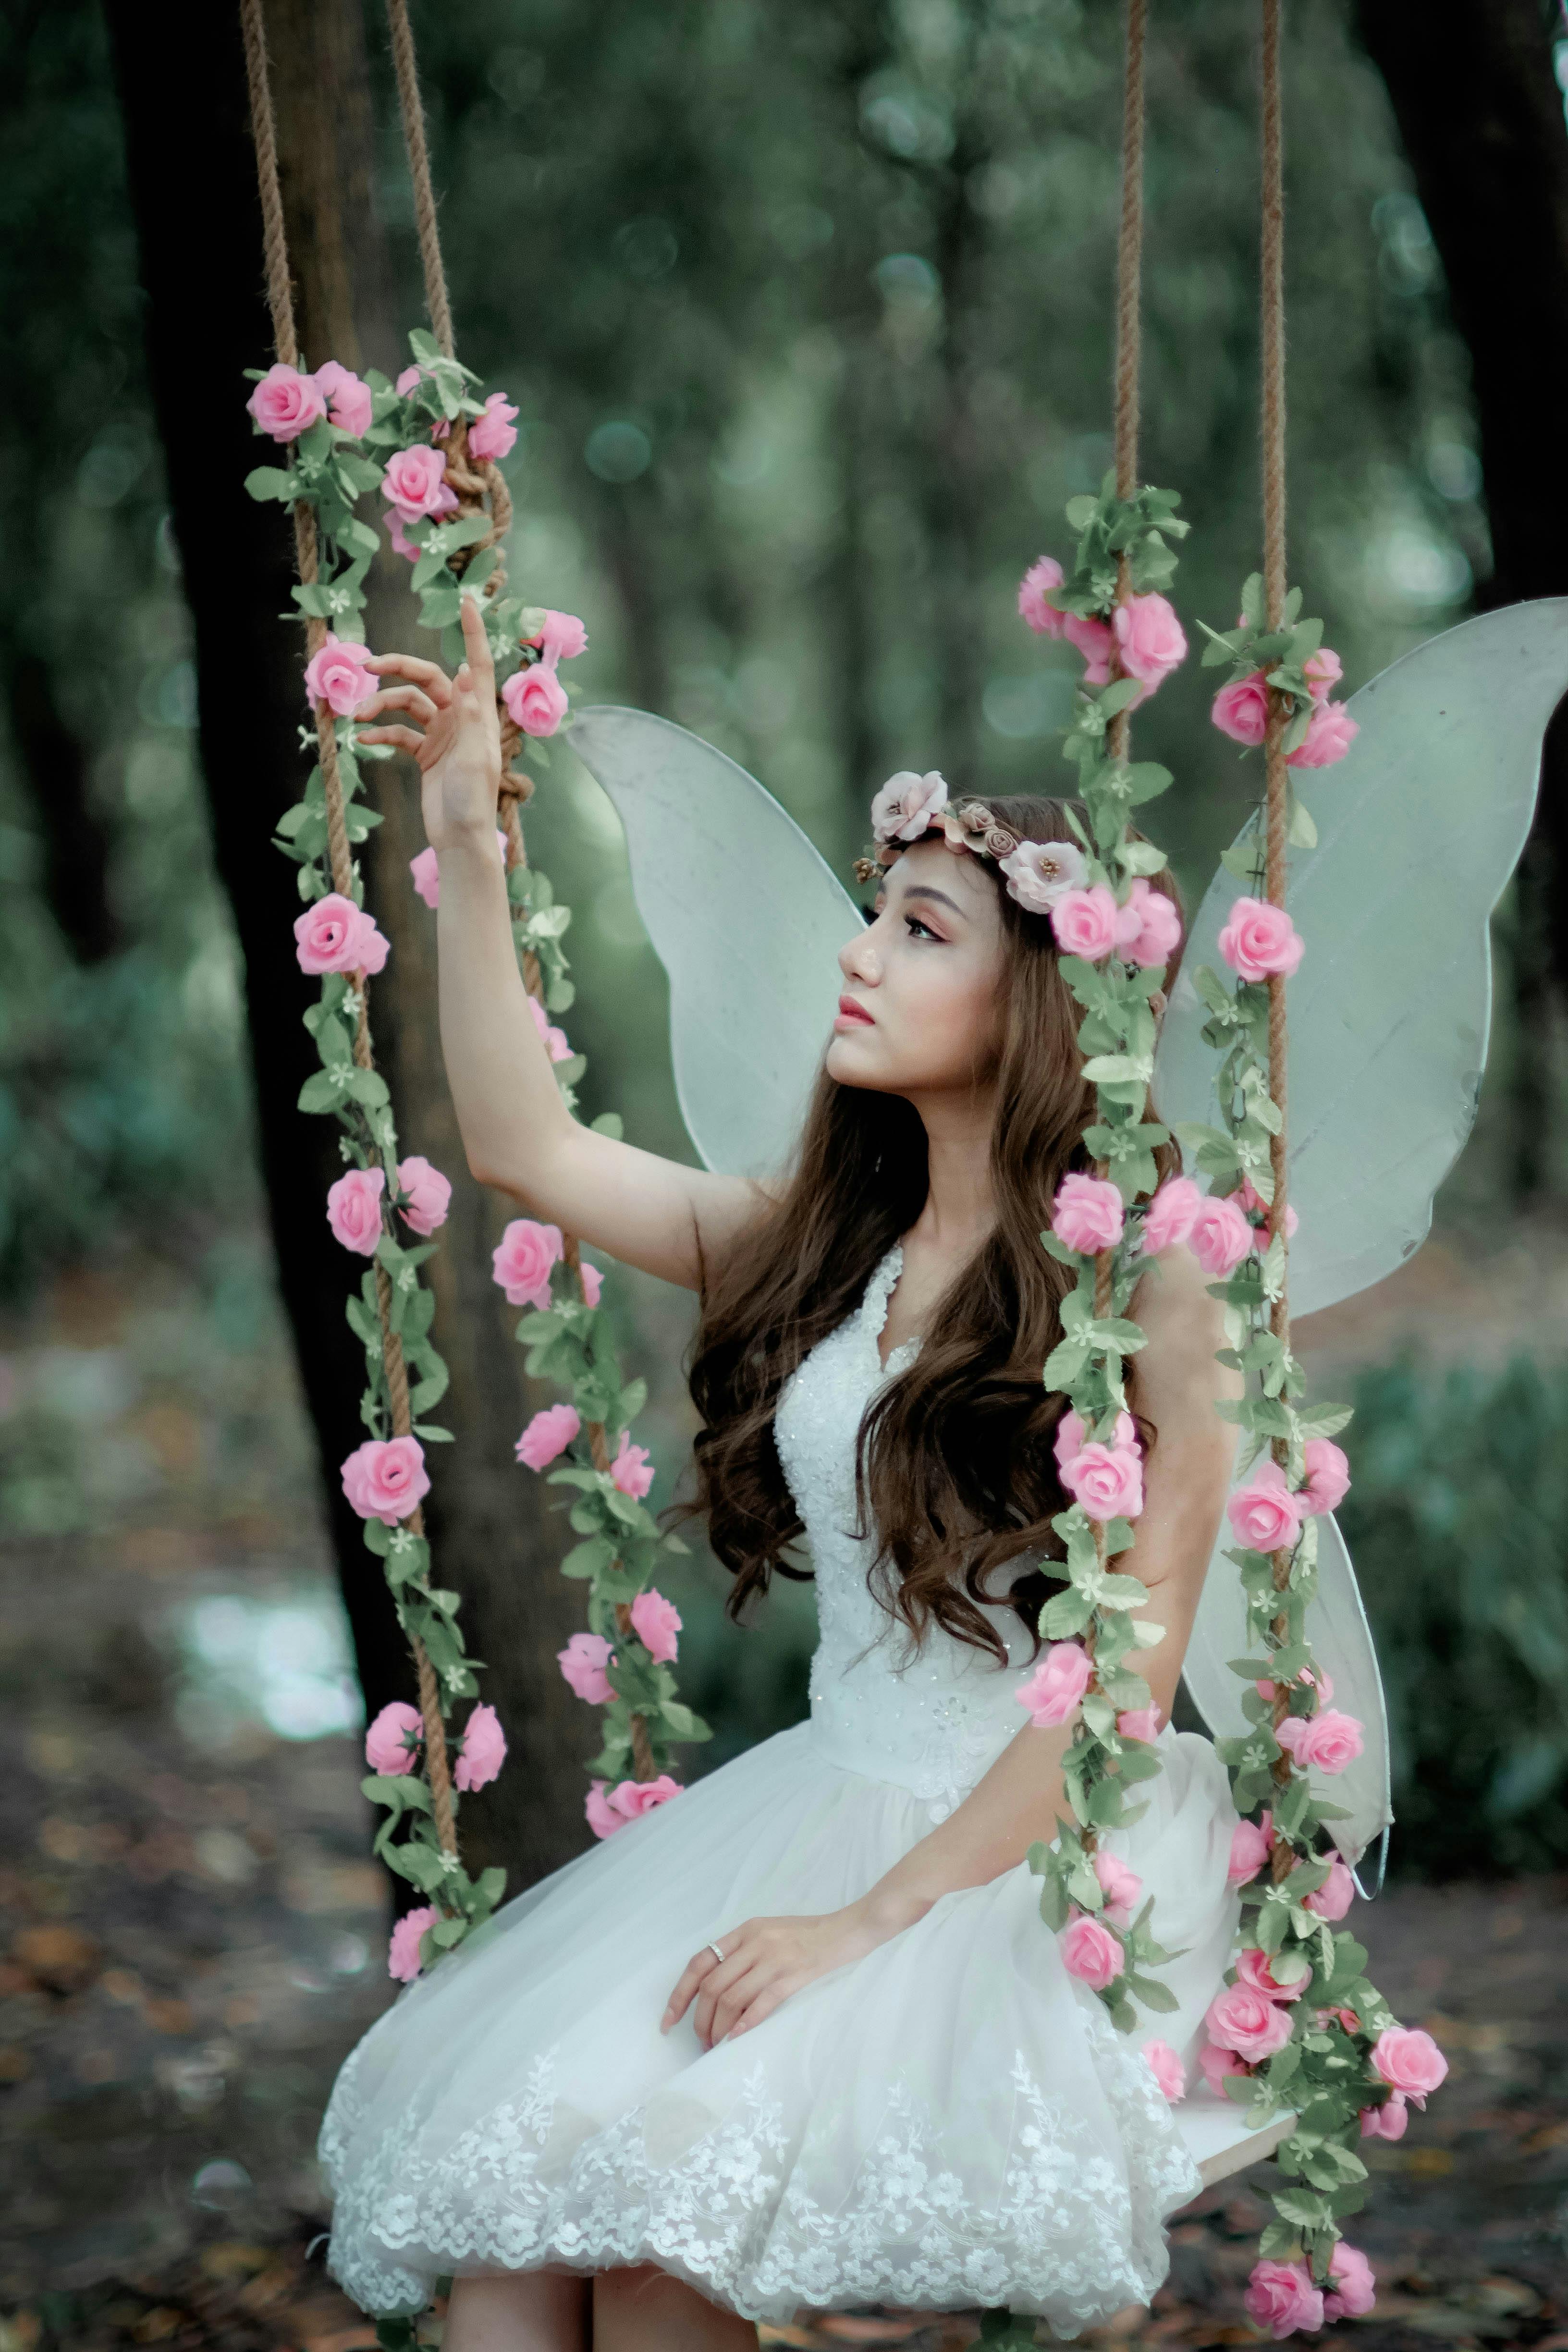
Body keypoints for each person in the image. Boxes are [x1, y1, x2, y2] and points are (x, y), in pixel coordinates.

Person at [319, 593, 1246, 2349]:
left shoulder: (1151, 1298)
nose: (859, 953)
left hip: (1000, 1856)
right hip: (826, 1792)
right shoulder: (832, 1252)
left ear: (1038, 991)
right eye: (869, 918)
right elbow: (522, 1147)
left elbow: (1118, 1692)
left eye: (919, 929)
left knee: (657, 2215)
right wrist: (459, 827)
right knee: (522, 2214)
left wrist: (862, 1925)